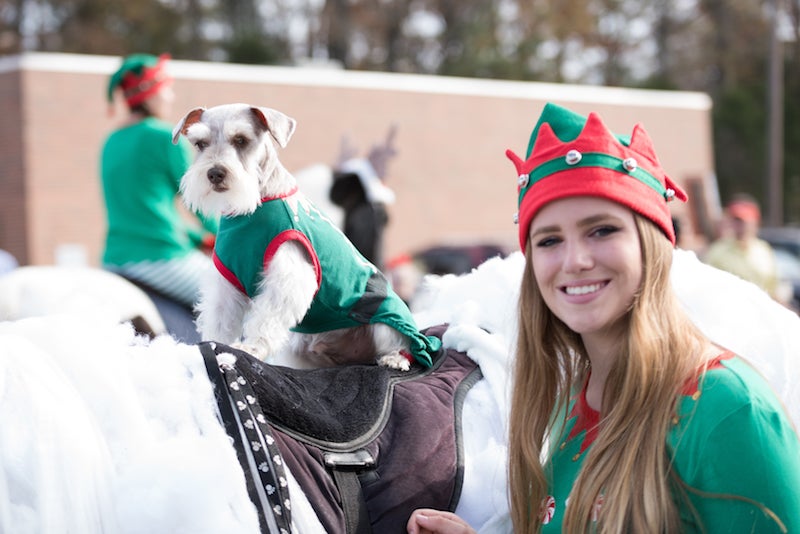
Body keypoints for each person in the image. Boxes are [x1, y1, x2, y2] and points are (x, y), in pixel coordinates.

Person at [407, 103, 800, 533]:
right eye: (550, 239)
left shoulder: (726, 408)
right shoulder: (570, 402)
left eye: (602, 230)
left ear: (650, 243)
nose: (575, 260)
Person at [100, 53, 217, 312]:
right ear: (150, 94)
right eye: (167, 90)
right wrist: (222, 237)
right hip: (160, 259)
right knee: (239, 303)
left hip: (113, 260)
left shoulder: (110, 142)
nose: (171, 97)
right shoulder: (164, 136)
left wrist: (197, 237)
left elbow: (144, 213)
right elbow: (198, 201)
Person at [704, 194, 782, 301]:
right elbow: (707, 287)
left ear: (755, 222)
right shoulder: (717, 251)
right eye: (735, 221)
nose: (738, 226)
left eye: (743, 221)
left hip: (761, 312)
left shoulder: (763, 250)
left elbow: (774, 286)